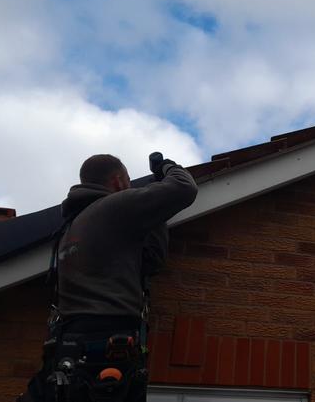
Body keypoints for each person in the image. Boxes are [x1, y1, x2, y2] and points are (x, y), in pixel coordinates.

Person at [19, 153, 198, 402]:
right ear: (118, 182)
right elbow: (184, 187)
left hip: (69, 344)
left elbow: (150, 261)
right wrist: (166, 167)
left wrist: (155, 216)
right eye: (127, 181)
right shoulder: (114, 207)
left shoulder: (72, 226)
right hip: (108, 344)